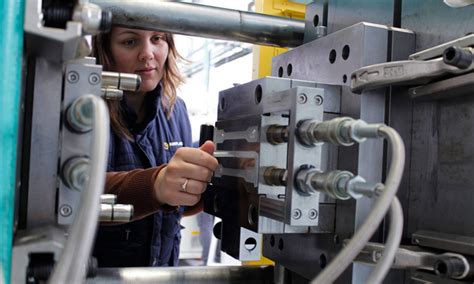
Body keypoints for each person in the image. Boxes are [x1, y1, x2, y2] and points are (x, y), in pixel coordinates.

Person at [91, 27, 218, 267]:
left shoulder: (175, 109)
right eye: (130, 41)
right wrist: (155, 185)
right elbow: (69, 194)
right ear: (105, 50)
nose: (147, 53)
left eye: (157, 38)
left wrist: (203, 187)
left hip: (162, 271)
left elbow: (172, 208)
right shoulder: (85, 108)